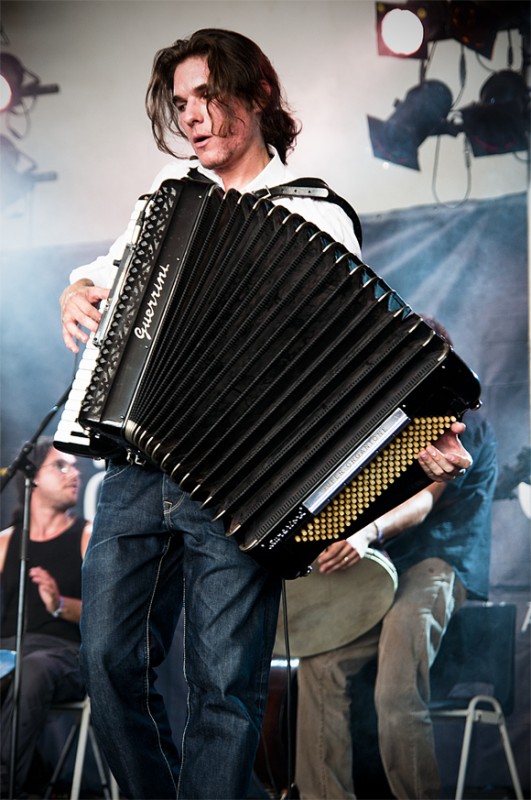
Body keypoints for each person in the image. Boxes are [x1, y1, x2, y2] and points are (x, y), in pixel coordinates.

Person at [58, 29, 473, 800]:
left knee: (224, 686)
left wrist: (416, 432)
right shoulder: (168, 194)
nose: (192, 116)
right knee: (108, 662)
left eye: (208, 96)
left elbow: (360, 356)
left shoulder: (317, 214)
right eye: (180, 102)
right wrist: (77, 289)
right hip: (138, 466)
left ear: (256, 97)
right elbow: (106, 271)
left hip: (238, 482)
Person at [294, 321, 497, 800]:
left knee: (396, 686)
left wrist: (366, 533)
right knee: (319, 666)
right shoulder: (387, 425)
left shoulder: (463, 422)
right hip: (384, 571)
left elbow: (423, 501)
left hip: (437, 565)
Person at [0, 436, 91, 797]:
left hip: (62, 655)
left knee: (33, 669)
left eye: (77, 467)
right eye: (61, 465)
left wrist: (58, 603)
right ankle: (35, 781)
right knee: (19, 667)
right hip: (10, 653)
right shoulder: (5, 543)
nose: (75, 474)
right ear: (32, 477)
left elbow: (107, 619)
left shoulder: (87, 536)